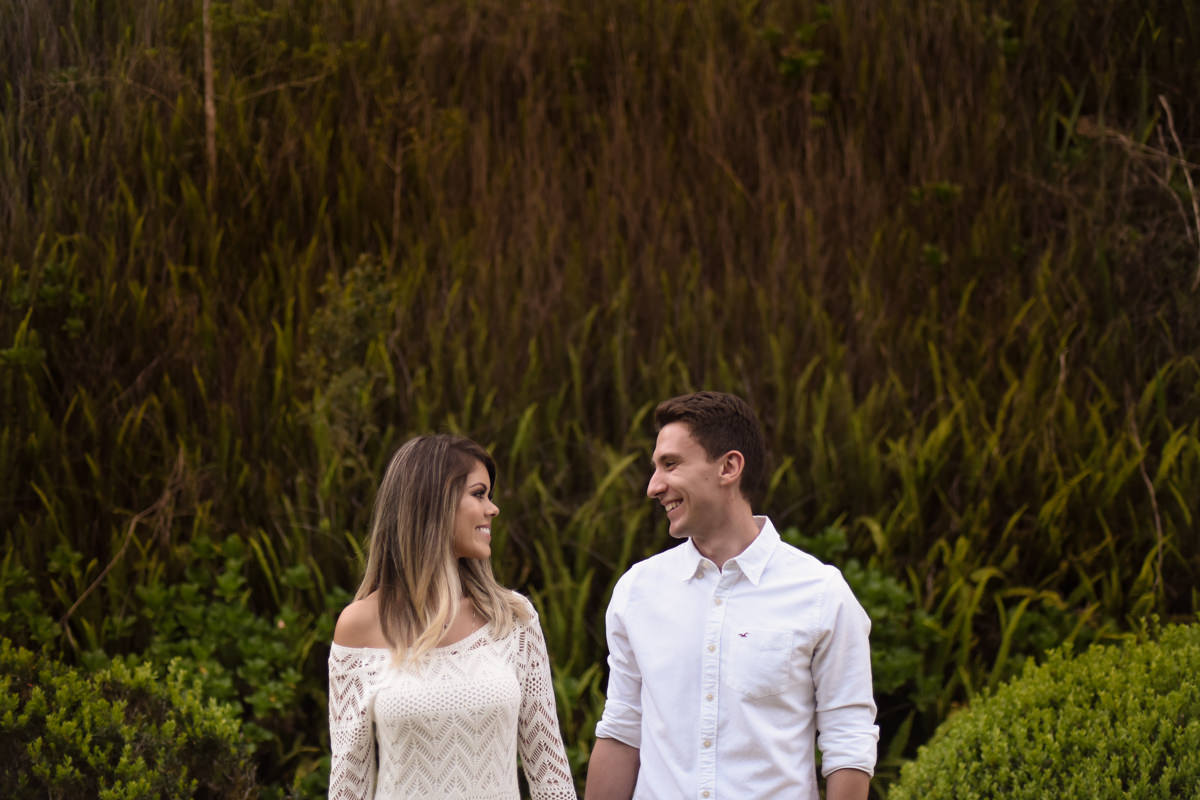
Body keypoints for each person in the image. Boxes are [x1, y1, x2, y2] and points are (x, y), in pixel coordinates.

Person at [584, 392, 878, 800]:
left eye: (670, 464)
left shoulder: (820, 593)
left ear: (729, 467)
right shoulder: (637, 591)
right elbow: (621, 731)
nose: (654, 487)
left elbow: (848, 740)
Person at [328, 434, 577, 800]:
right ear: (433, 502)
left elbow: (549, 773)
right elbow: (348, 785)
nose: (493, 509)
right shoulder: (359, 626)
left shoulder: (512, 619)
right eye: (479, 494)